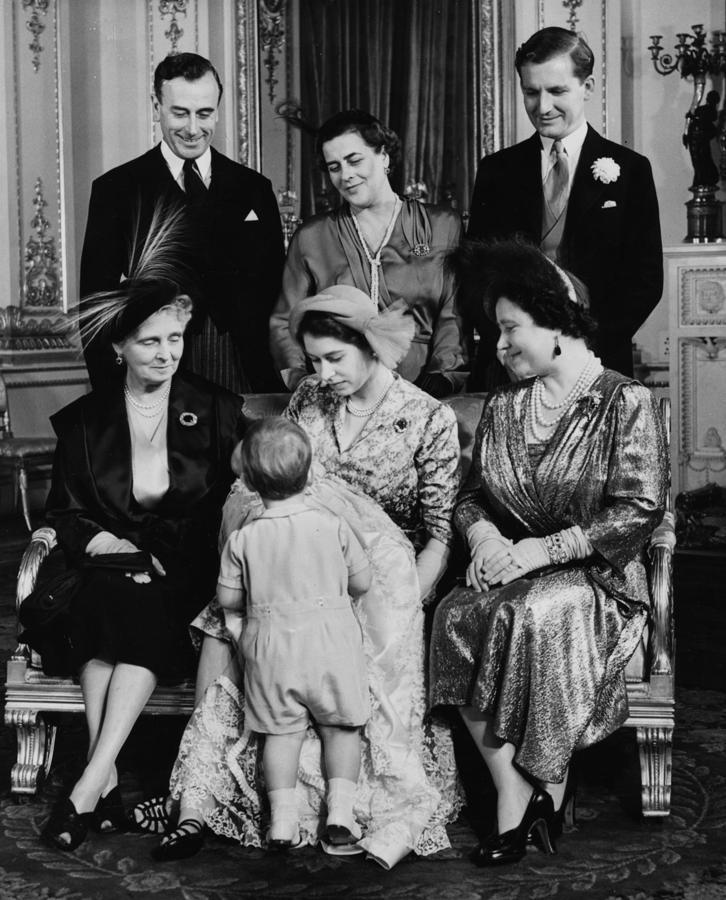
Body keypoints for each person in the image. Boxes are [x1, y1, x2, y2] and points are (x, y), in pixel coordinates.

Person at [141, 284, 462, 868]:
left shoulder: (426, 416)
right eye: (313, 360)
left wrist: (403, 601)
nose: (321, 373)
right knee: (220, 620)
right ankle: (198, 794)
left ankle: (341, 804)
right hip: (290, 564)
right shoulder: (311, 399)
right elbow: (267, 482)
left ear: (373, 346)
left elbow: (439, 531)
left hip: (378, 577)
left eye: (334, 358)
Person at [429, 239, 669, 866]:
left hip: (599, 579)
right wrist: (482, 538)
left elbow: (640, 510)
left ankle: (545, 789)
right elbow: (472, 497)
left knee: (533, 611)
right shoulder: (506, 405)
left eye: (510, 329)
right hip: (517, 566)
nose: (499, 345)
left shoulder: (625, 401)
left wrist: (542, 551)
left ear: (557, 321)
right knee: (454, 614)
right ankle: (518, 791)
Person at [38, 274, 245, 853]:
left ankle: (87, 785)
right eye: (151, 341)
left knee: (136, 606)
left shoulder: (218, 410)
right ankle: (98, 784)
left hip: (189, 572)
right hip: (106, 570)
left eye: (175, 338)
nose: (167, 353)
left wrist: (153, 557)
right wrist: (115, 549)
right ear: (118, 349)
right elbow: (66, 512)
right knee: (112, 601)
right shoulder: (83, 421)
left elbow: (237, 502)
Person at [466, 27, 663, 387]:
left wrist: (579, 345)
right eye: (531, 92)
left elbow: (644, 281)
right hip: (509, 368)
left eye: (557, 91)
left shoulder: (631, 169)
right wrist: (512, 343)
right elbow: (475, 274)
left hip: (597, 363)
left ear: (586, 87)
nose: (542, 107)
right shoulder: (497, 170)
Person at [80, 52, 284, 393]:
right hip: (154, 373)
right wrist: (113, 393)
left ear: (218, 109)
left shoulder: (254, 188)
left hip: (244, 375)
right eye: (180, 113)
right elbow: (95, 306)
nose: (193, 129)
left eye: (204, 114)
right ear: (156, 105)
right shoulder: (116, 190)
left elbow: (276, 293)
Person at [218, 417, 371, 852]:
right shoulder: (333, 525)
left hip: (272, 650)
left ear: (248, 480)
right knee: (341, 729)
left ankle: (282, 822)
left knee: (280, 736)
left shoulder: (244, 539)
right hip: (331, 645)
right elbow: (361, 583)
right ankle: (340, 813)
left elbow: (228, 599)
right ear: (309, 471)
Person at [269, 109, 467, 398]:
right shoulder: (312, 237)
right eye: (334, 167)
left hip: (424, 391)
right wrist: (302, 378)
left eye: (354, 160)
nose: (346, 175)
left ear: (384, 157)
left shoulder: (442, 226)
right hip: (338, 394)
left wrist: (442, 377)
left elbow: (454, 314)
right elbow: (284, 322)